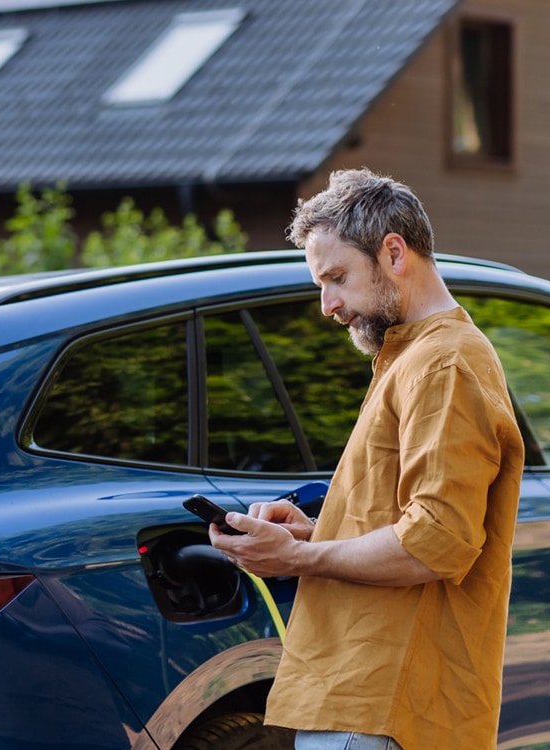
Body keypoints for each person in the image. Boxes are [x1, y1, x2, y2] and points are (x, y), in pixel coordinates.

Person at [209, 169, 525, 750]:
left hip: (382, 699)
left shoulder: (443, 363)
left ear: (394, 252)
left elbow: (436, 541)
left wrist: (300, 557)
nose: (327, 305)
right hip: (363, 693)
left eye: (337, 278)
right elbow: (407, 518)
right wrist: (315, 534)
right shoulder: (414, 356)